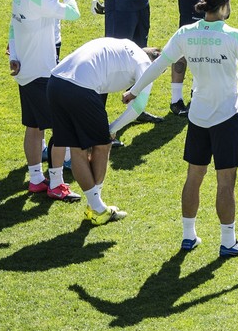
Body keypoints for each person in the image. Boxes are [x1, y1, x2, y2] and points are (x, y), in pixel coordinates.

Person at [123, 0, 238, 257]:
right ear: (224, 6)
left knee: (194, 177)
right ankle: (228, 242)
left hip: (197, 118)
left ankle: (188, 236)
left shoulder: (185, 33)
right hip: (226, 118)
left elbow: (159, 65)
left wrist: (134, 91)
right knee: (226, 182)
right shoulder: (234, 37)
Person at [47, 37, 162, 224]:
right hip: (81, 88)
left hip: (55, 83)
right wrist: (113, 128)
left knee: (77, 149)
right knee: (102, 145)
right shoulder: (145, 65)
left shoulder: (126, 47)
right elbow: (138, 106)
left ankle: (95, 205)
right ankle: (97, 208)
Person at [9, 0, 81, 200]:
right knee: (62, 128)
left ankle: (36, 179)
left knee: (33, 127)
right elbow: (74, 12)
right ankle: (56, 183)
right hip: (41, 75)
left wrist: (13, 56)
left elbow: (12, 27)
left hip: (25, 72)